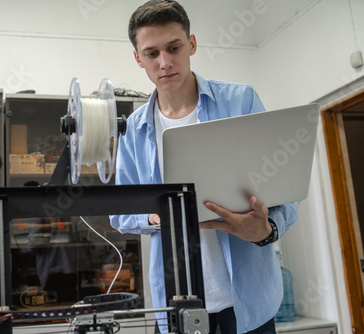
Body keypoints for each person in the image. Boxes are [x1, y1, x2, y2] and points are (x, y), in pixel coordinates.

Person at [109, 1, 299, 333]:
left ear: (191, 44)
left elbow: (285, 187)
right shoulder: (133, 130)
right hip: (176, 306)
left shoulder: (241, 102)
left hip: (249, 306)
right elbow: (120, 213)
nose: (165, 62)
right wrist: (158, 214)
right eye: (152, 53)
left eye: (174, 47)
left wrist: (268, 230)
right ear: (138, 58)